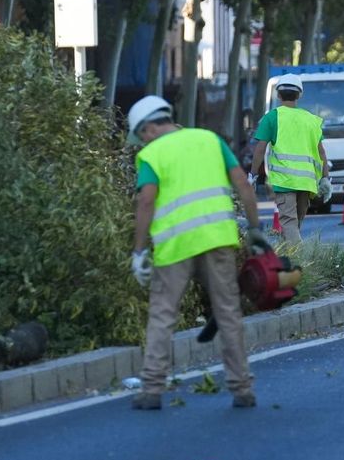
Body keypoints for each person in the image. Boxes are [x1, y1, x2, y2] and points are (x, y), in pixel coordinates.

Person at [126, 95, 266, 410]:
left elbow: (146, 201)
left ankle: (151, 390)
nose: (141, 143)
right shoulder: (210, 140)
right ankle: (242, 388)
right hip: (217, 240)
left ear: (148, 128)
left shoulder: (151, 155)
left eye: (140, 136)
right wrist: (255, 229)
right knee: (228, 312)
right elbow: (243, 183)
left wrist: (138, 251)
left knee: (163, 315)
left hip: (175, 246)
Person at [252, 74, 330, 244]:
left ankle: (300, 261)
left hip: (285, 181)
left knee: (288, 223)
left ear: (278, 95)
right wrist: (325, 178)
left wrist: (253, 175)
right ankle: (289, 258)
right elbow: (321, 152)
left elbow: (259, 149)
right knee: (294, 224)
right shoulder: (311, 120)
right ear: (299, 95)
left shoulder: (272, 117)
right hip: (307, 182)